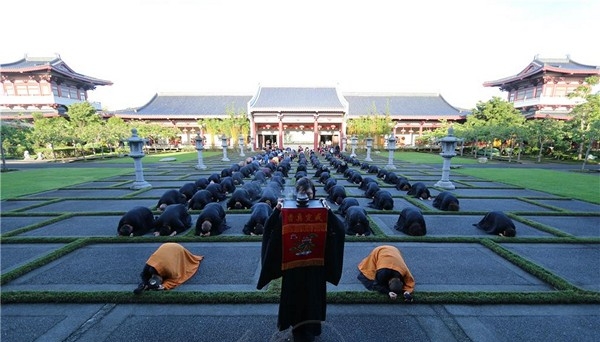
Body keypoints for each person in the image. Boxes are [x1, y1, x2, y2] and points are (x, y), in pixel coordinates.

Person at [257, 177, 345, 342]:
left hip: (315, 269)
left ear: (314, 194)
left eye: (309, 193)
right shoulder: (289, 211)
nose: (306, 197)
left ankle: (312, 329)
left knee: (313, 300)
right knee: (295, 301)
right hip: (294, 269)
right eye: (302, 193)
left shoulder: (321, 211)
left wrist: (329, 211)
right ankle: (297, 330)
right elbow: (269, 230)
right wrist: (277, 210)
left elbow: (339, 231)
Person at [133, 242, 203, 294]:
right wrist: (144, 285)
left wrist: (164, 286)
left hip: (178, 249)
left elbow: (176, 280)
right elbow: (143, 274)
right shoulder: (149, 265)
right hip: (165, 245)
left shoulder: (170, 271)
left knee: (185, 262)